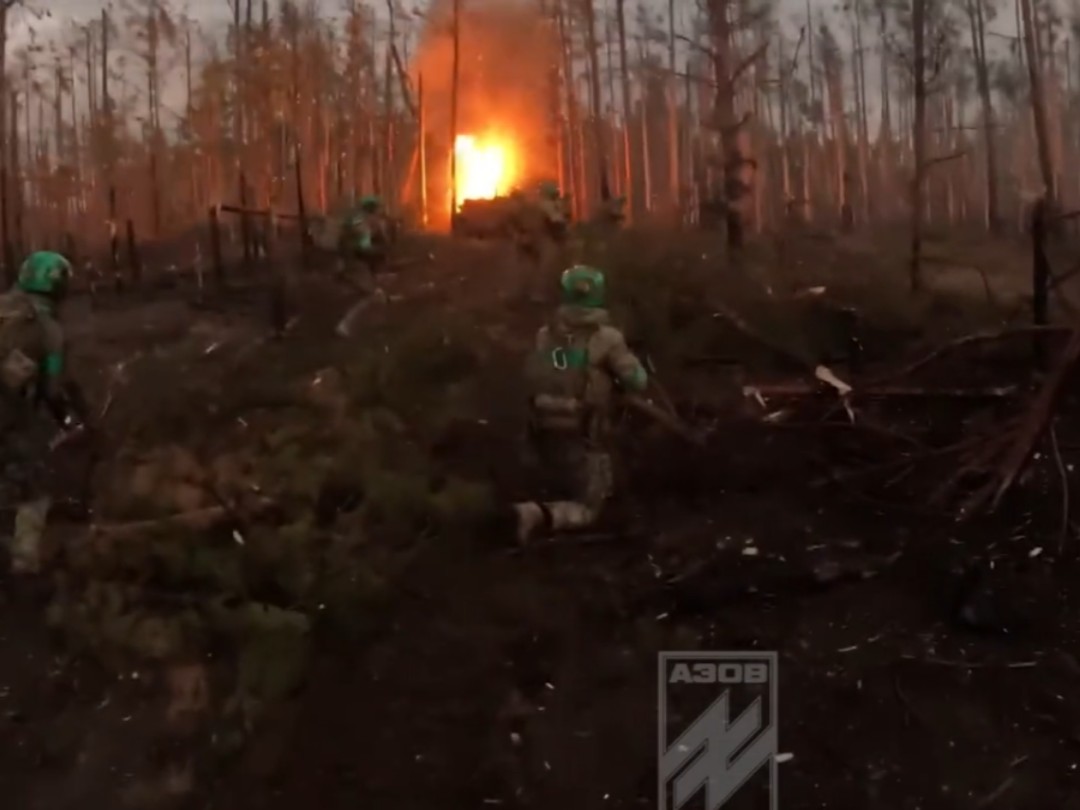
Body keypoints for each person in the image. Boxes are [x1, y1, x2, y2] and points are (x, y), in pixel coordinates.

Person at [513, 264, 648, 543]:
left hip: (544, 432)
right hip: (585, 435)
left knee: (561, 482)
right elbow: (637, 381)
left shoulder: (545, 335)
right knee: (588, 508)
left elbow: (547, 373)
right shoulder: (607, 338)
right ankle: (534, 515)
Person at [0, 250, 82, 574]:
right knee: (33, 489)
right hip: (8, 418)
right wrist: (67, 419)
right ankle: (24, 565)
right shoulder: (49, 330)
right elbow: (52, 389)